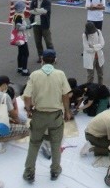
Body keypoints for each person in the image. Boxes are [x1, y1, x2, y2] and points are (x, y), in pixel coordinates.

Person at [22, 49, 72, 182]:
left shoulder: (34, 75)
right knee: (56, 144)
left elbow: (27, 95)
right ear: (54, 60)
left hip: (39, 115)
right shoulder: (60, 74)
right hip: (55, 115)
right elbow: (66, 95)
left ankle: (29, 172)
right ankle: (55, 170)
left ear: (42, 60)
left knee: (34, 143)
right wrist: (67, 111)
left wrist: (28, 109)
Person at [29, 0, 53, 64]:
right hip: (35, 24)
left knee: (48, 42)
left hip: (45, 24)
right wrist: (39, 11)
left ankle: (52, 57)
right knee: (38, 42)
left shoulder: (47, 2)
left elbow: (45, 11)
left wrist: (36, 10)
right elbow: (31, 11)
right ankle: (41, 57)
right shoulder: (33, 1)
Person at [13, 1, 31, 76]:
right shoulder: (19, 16)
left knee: (20, 53)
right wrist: (27, 27)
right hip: (21, 37)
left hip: (18, 37)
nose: (25, 8)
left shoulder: (16, 15)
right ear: (21, 8)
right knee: (25, 53)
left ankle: (20, 67)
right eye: (24, 7)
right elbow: (18, 27)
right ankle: (24, 70)